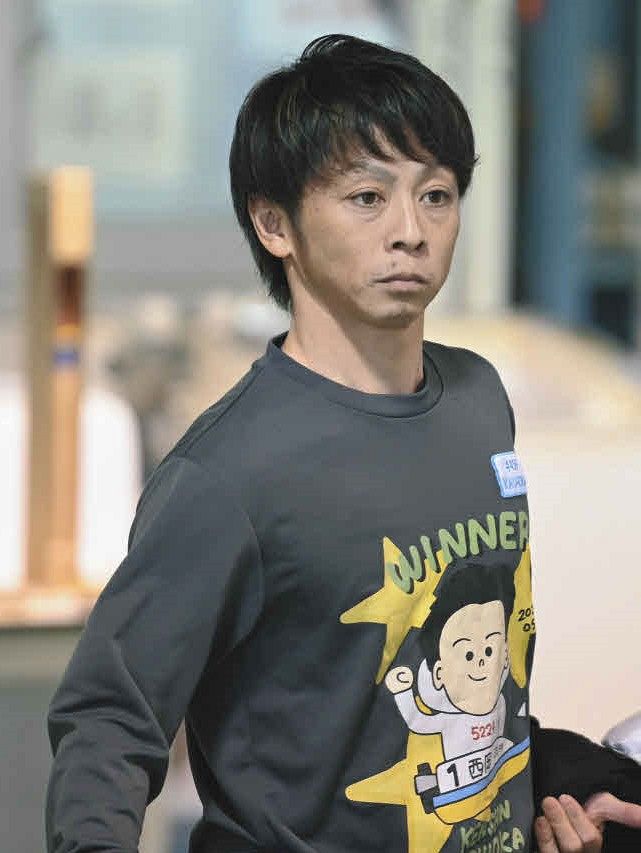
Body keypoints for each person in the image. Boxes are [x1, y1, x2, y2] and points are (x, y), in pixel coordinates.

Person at [46, 34, 641, 853]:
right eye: (367, 197)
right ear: (274, 223)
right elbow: (110, 720)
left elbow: (457, 691)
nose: (411, 231)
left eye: (436, 195)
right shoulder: (228, 472)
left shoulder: (477, 400)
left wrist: (547, 786)